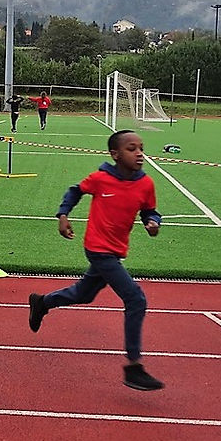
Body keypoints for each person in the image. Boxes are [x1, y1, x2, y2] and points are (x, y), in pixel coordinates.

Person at [28, 129, 164, 392]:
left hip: (115, 249)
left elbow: (150, 210)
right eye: (132, 149)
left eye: (141, 148)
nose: (139, 154)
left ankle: (43, 302)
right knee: (135, 298)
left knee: (84, 294)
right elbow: (75, 191)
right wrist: (63, 215)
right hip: (98, 248)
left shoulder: (146, 184)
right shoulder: (101, 179)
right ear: (115, 154)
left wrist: (153, 222)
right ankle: (134, 367)